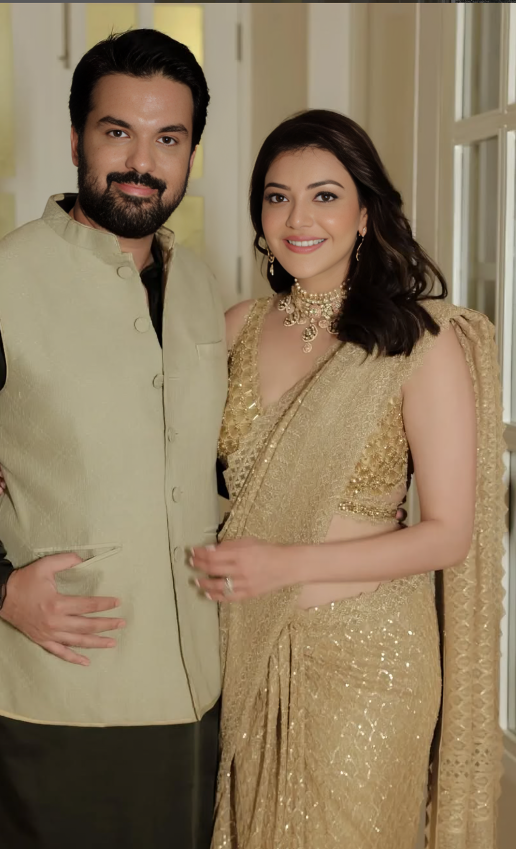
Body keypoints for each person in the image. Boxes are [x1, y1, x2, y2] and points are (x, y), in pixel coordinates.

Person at [0, 30, 227, 849]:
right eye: (116, 131)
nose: (141, 161)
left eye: (167, 139)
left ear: (189, 153)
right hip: (51, 695)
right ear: (75, 139)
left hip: (194, 696)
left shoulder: (202, 285)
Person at [188, 111, 505, 848]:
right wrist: (14, 462)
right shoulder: (237, 327)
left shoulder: (416, 340)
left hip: (372, 662)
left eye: (324, 196)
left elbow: (447, 535)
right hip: (249, 644)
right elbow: (154, 452)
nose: (297, 219)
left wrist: (284, 564)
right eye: (277, 197)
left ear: (366, 213)